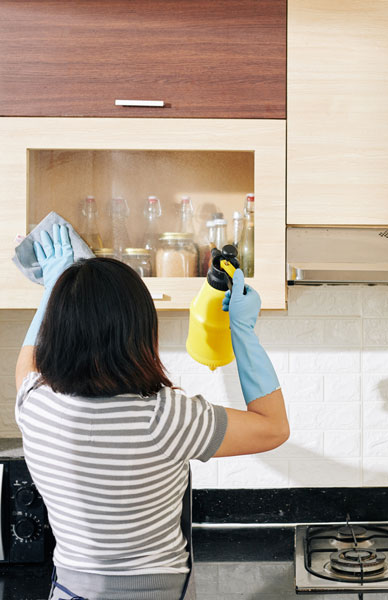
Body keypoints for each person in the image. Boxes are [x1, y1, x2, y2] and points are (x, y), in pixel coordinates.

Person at [14, 224, 289, 600]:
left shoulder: (36, 406)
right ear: (141, 332)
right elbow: (272, 428)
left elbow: (26, 365)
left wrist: (55, 286)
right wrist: (242, 330)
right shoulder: (164, 417)